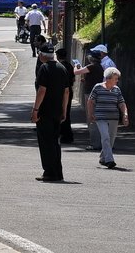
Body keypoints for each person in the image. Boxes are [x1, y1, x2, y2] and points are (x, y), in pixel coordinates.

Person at [30, 43, 69, 182]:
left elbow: (42, 90)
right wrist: (64, 110)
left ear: (41, 55)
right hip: (57, 111)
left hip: (45, 111)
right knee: (55, 142)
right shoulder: (62, 68)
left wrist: (35, 110)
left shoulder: (44, 68)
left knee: (46, 142)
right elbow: (66, 91)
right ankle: (58, 172)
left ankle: (49, 172)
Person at [87, 67, 129, 169]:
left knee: (110, 140)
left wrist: (125, 114)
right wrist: (90, 114)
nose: (117, 81)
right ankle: (109, 160)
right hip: (100, 117)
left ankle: (103, 158)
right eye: (115, 78)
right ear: (108, 78)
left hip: (114, 118)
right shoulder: (98, 87)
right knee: (105, 137)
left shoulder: (117, 89)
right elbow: (90, 101)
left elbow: (121, 103)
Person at [74, 50, 104, 149]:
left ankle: (95, 143)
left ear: (92, 58)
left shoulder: (92, 66)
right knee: (95, 117)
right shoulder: (99, 67)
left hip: (90, 93)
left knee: (91, 117)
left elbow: (76, 72)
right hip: (96, 93)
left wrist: (76, 66)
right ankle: (98, 142)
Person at [55, 48, 76, 143]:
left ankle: (66, 134)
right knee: (66, 112)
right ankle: (65, 133)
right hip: (69, 90)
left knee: (62, 113)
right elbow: (73, 79)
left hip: (61, 91)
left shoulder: (59, 67)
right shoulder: (70, 66)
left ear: (58, 56)